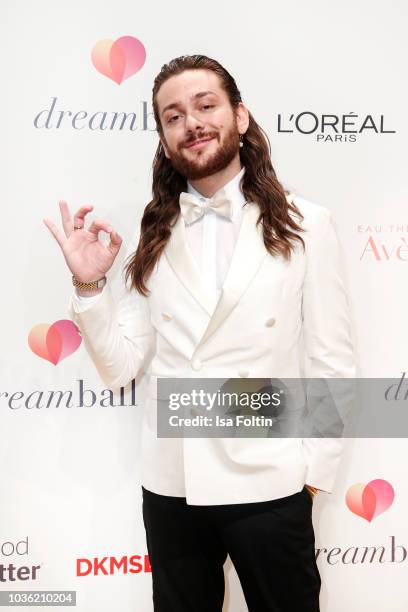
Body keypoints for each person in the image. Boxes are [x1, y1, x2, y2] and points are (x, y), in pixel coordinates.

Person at [44, 54, 356, 612]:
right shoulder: (155, 228)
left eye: (205, 105)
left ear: (240, 116)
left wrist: (311, 473)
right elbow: (119, 367)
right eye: (172, 115)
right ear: (164, 140)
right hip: (173, 484)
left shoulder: (308, 224)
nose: (191, 122)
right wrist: (90, 288)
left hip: (269, 480)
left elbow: (332, 360)